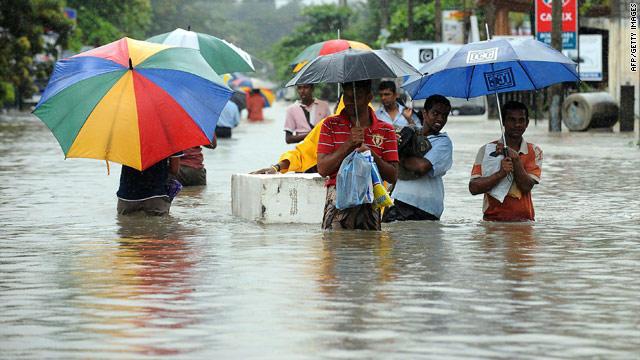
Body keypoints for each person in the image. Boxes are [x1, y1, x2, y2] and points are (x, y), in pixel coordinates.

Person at [317, 79, 399, 230]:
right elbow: (322, 169)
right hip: (338, 195)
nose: (350, 102)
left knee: (369, 247)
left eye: (356, 97)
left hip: (371, 197)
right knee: (335, 247)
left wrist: (370, 153)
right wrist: (349, 144)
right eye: (346, 97)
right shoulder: (330, 125)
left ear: (369, 96)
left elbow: (393, 176)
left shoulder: (386, 129)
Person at [382, 95, 453, 222]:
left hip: (426, 208)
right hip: (399, 201)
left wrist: (398, 158)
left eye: (445, 115)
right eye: (435, 113)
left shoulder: (443, 142)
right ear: (424, 113)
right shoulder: (409, 132)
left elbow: (421, 167)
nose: (440, 119)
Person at [469, 101, 542, 222]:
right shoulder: (487, 150)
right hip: (493, 221)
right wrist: (500, 174)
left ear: (527, 123)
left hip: (524, 221)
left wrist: (516, 160)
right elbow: (474, 188)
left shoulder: (534, 151)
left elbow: (526, 186)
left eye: (521, 120)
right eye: (511, 120)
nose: (517, 124)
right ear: (503, 122)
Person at [116, 153, 183, 216]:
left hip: (127, 196)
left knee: (126, 225)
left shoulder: (127, 141)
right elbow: (174, 170)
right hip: (156, 195)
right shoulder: (169, 140)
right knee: (159, 226)